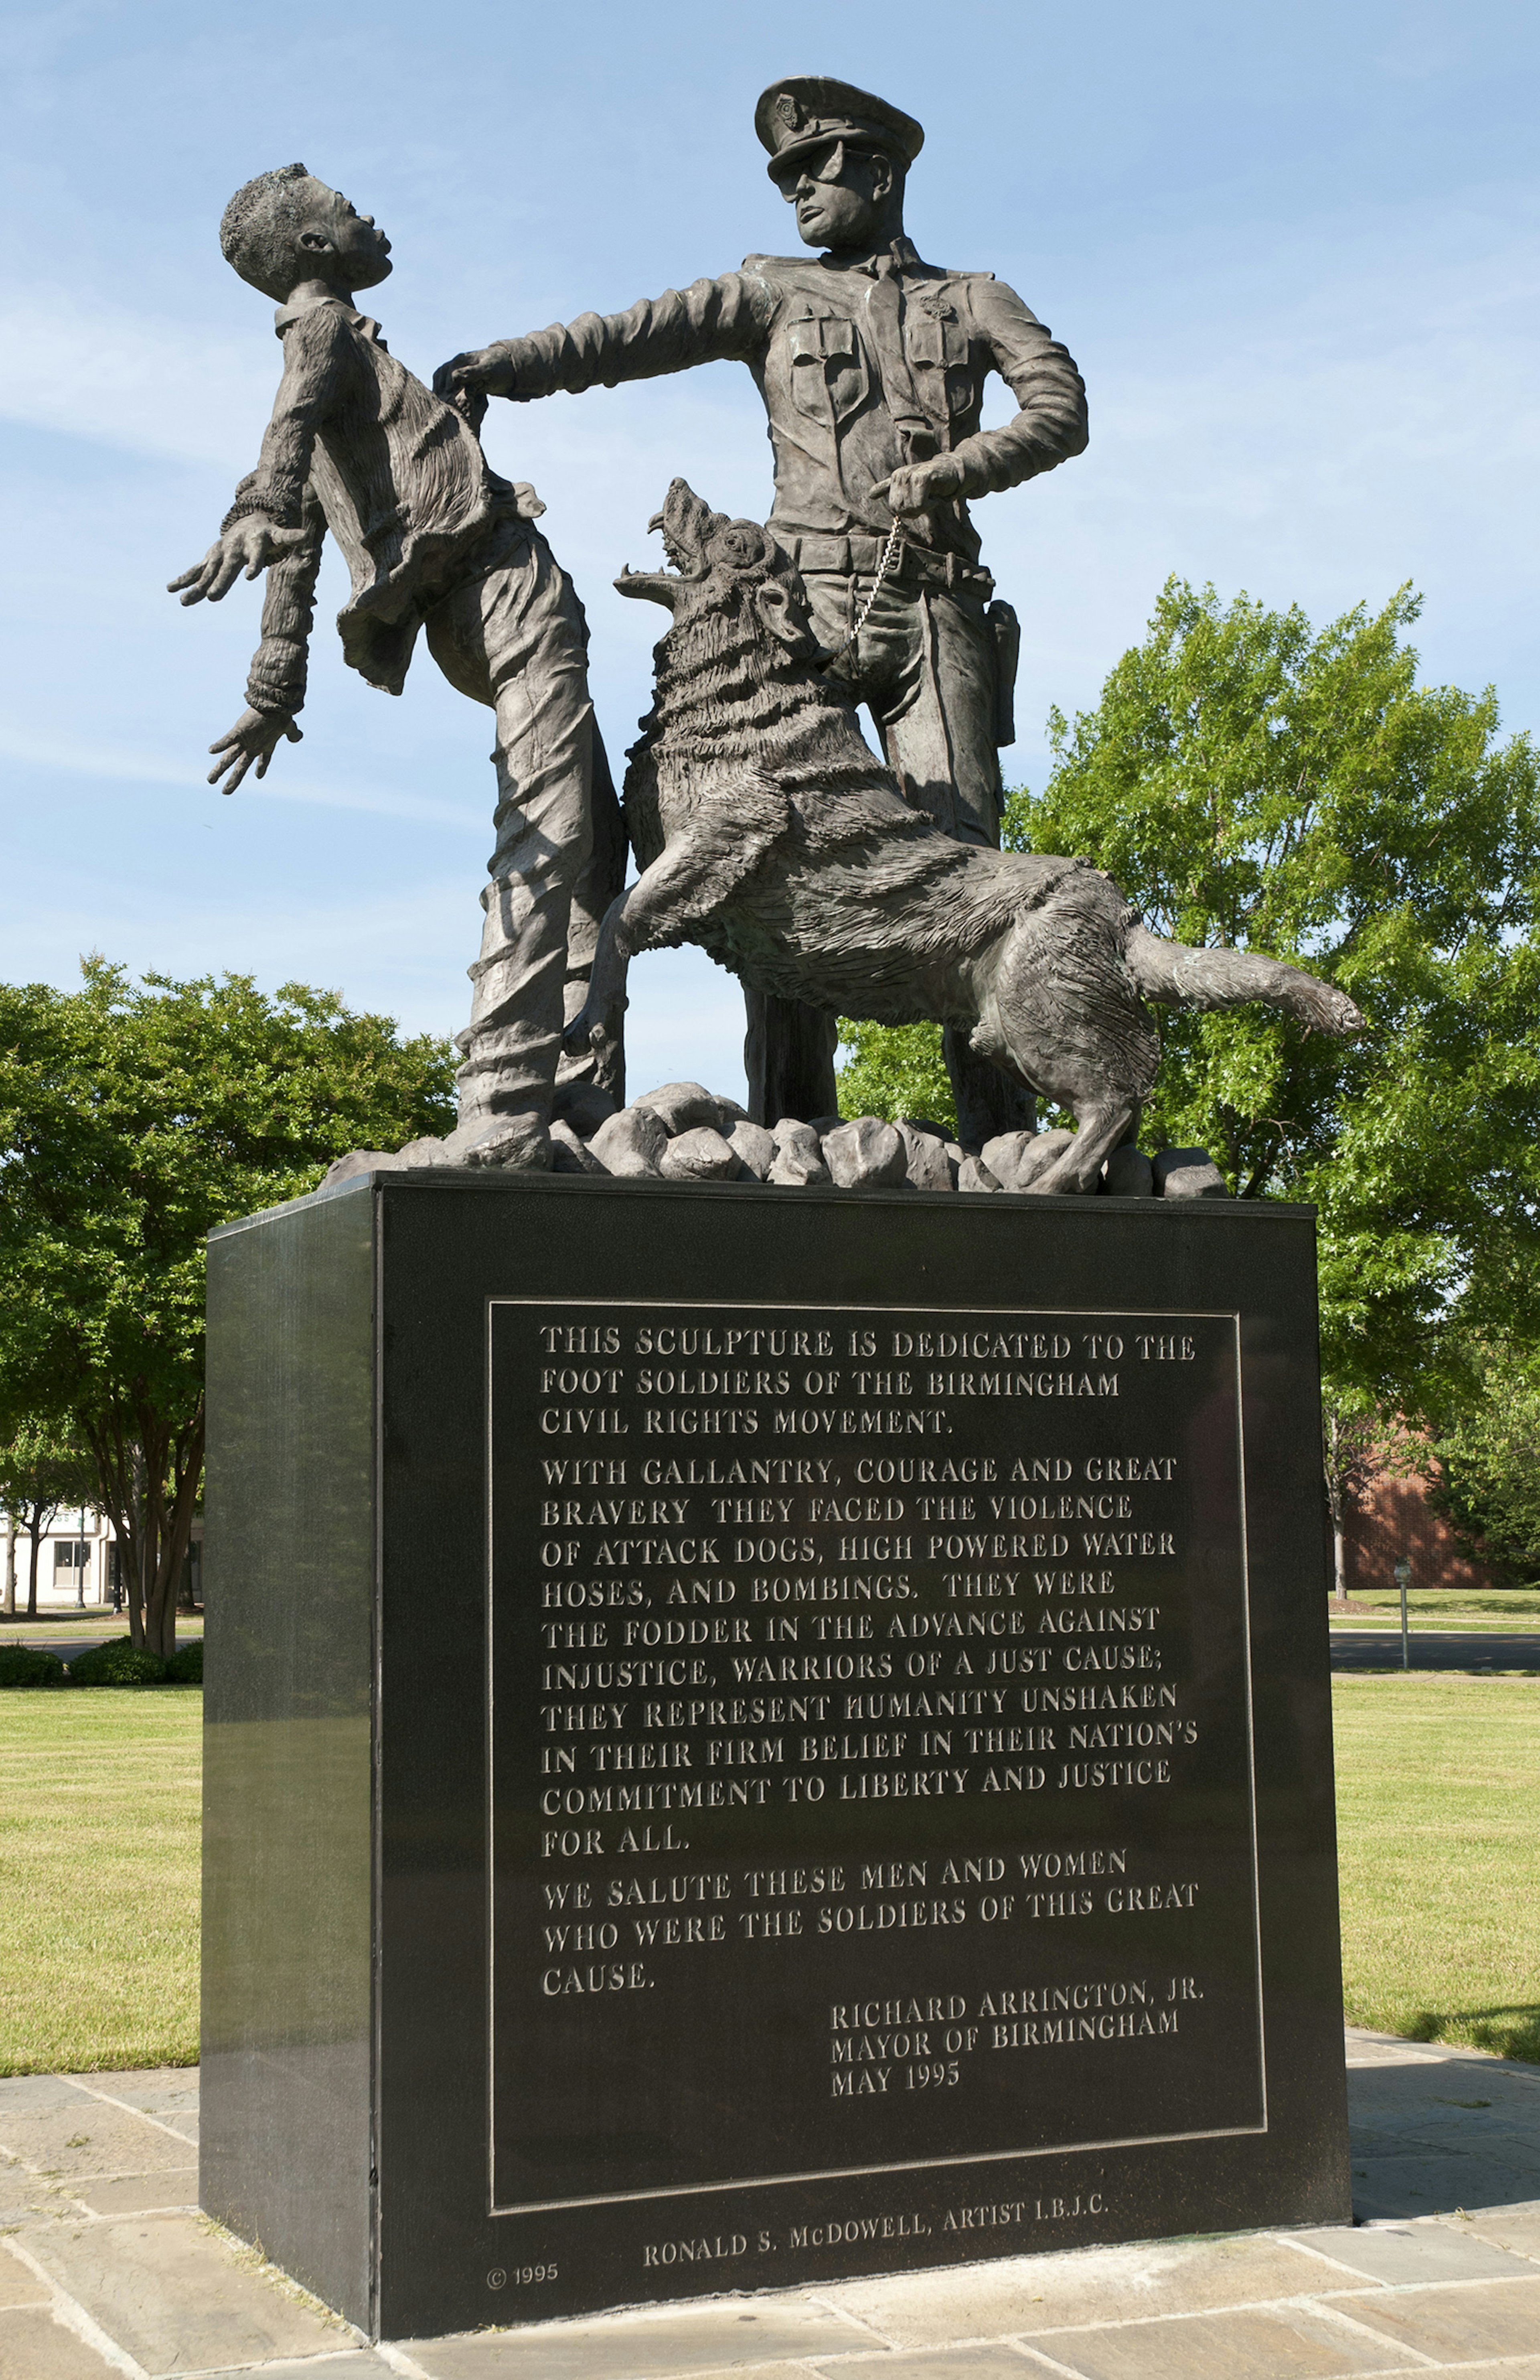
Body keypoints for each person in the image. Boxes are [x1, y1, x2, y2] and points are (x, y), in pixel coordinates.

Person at [435, 77, 1088, 1142]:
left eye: (817, 174)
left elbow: (1060, 407)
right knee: (784, 862)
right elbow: (633, 335)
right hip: (801, 618)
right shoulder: (770, 291)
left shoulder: (973, 298)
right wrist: (506, 366)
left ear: (879, 172)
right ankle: (801, 1132)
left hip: (934, 611)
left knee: (966, 863)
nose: (799, 197)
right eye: (787, 181)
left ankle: (1002, 1135)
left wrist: (959, 471)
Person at [170, 165, 625, 1168]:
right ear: (316, 248)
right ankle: (507, 1093)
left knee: (592, 835)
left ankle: (582, 1093)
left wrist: (270, 686)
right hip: (499, 583)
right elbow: (284, 457)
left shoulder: (344, 355)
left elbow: (294, 542)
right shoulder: (322, 336)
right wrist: (255, 503)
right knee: (553, 829)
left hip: (458, 606)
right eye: (346, 206)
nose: (368, 213)